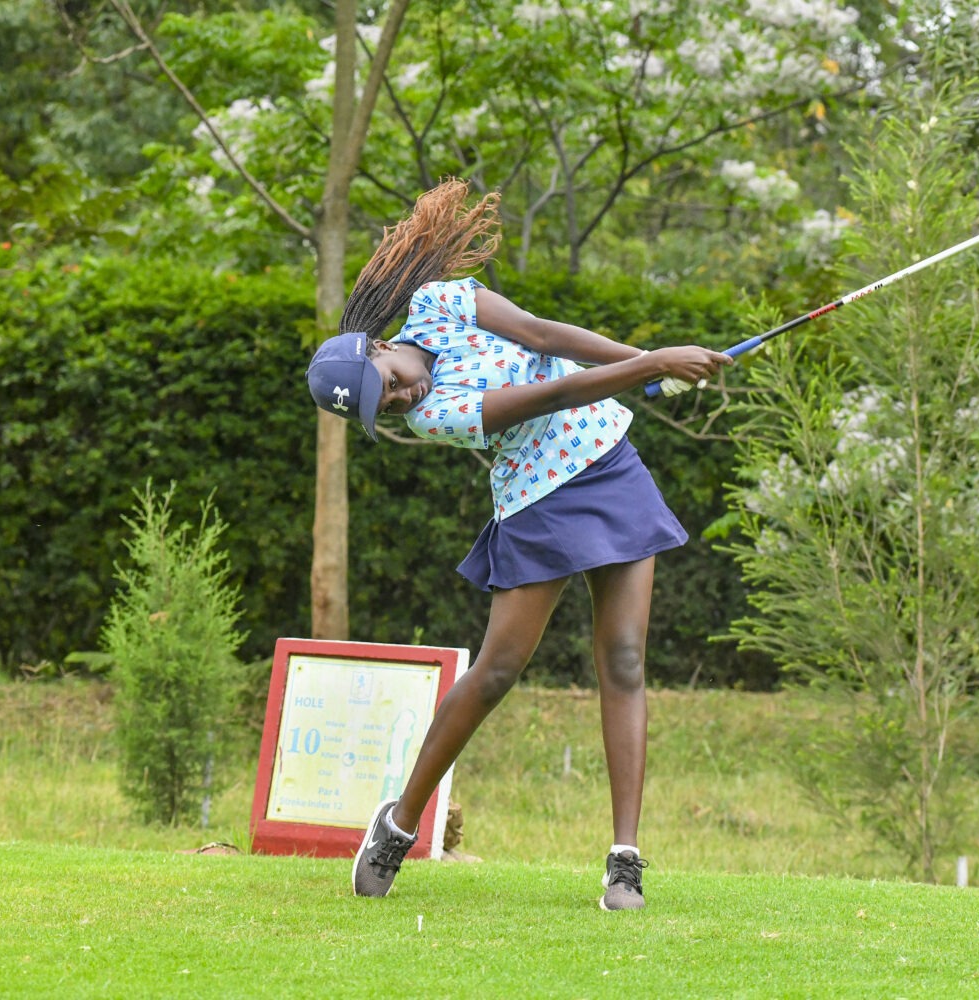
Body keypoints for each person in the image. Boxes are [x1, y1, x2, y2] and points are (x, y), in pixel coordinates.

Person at [305, 179, 732, 911]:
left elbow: (543, 335)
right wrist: (655, 364)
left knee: (625, 657)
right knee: (499, 669)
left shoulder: (441, 299)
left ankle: (624, 859)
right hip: (537, 500)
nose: (399, 402)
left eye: (387, 386)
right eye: (385, 411)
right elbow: (552, 395)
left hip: (607, 460)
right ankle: (399, 824)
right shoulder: (432, 416)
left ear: (377, 346)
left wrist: (651, 359)